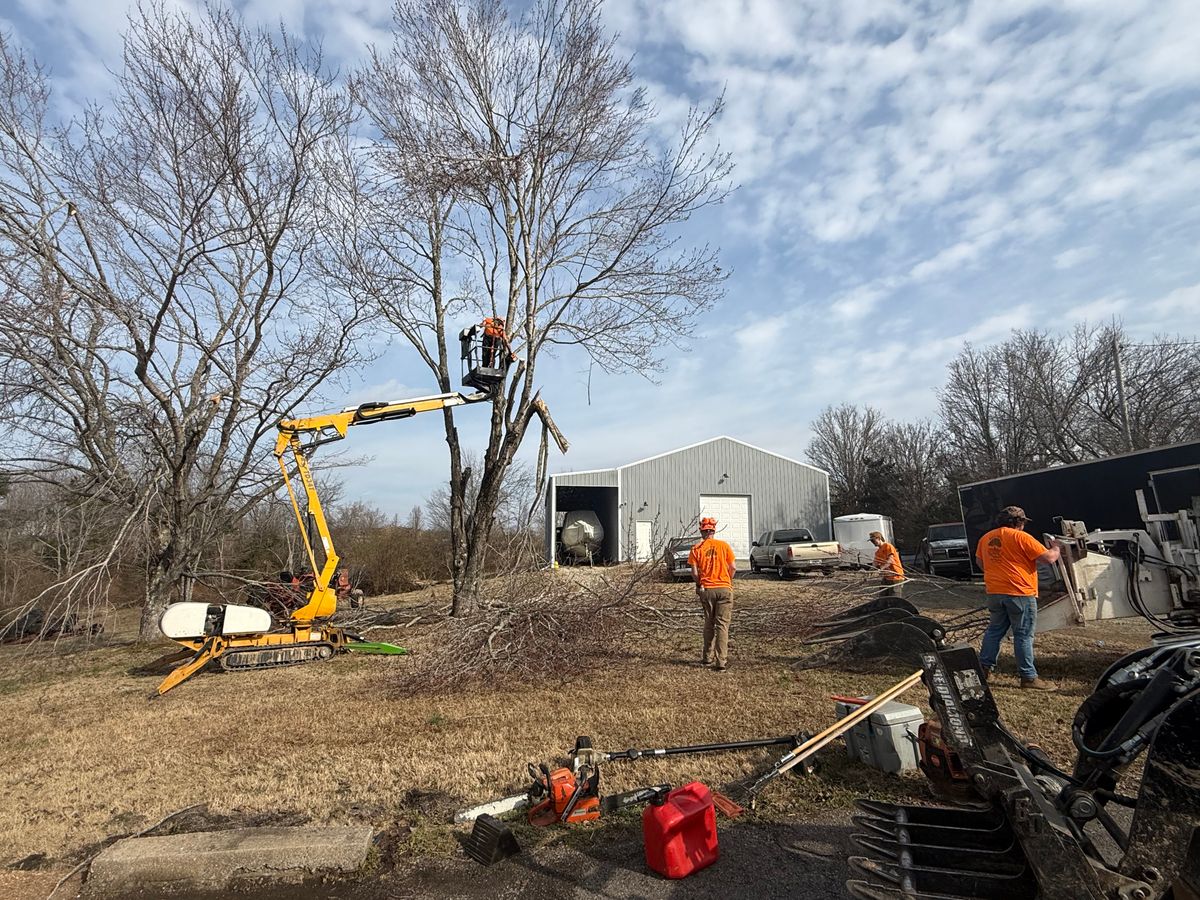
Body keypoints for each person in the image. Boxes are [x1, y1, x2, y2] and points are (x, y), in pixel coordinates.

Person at [975, 505, 1062, 691]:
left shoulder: (986, 538)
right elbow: (1048, 558)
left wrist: (997, 574)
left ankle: (983, 670)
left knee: (994, 631)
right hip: (1020, 593)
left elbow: (980, 562)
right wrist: (1056, 548)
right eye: (1023, 522)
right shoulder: (1021, 537)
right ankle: (1028, 677)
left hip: (995, 592)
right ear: (1018, 522)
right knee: (1023, 635)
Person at [688, 517, 737, 672]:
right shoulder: (724, 546)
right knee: (722, 625)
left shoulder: (696, 548)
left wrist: (699, 583)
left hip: (707, 589)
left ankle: (707, 657)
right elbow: (733, 567)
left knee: (709, 623)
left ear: (702, 531)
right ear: (713, 531)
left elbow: (695, 573)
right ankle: (721, 661)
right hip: (724, 589)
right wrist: (727, 581)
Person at [869, 531, 905, 596]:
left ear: (879, 538)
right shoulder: (878, 552)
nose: (872, 542)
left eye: (873, 540)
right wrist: (869, 572)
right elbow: (875, 563)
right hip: (887, 577)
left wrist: (881, 569)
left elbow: (890, 561)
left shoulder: (888, 546)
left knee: (894, 598)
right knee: (883, 597)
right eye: (871, 541)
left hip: (896, 576)